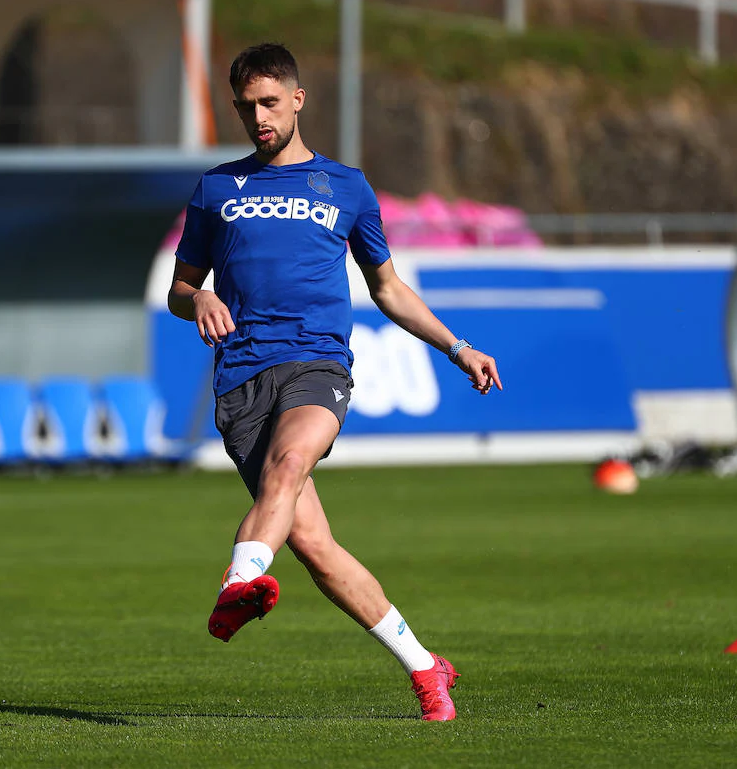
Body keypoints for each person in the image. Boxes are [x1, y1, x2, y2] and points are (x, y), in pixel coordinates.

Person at [166, 43, 502, 722]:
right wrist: (195, 300)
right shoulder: (216, 189)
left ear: (297, 98)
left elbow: (387, 287)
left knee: (290, 463)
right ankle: (426, 666)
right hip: (241, 374)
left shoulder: (346, 186)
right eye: (245, 106)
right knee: (316, 547)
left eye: (268, 102)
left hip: (318, 363)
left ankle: (238, 581)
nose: (258, 117)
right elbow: (181, 287)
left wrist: (456, 346)